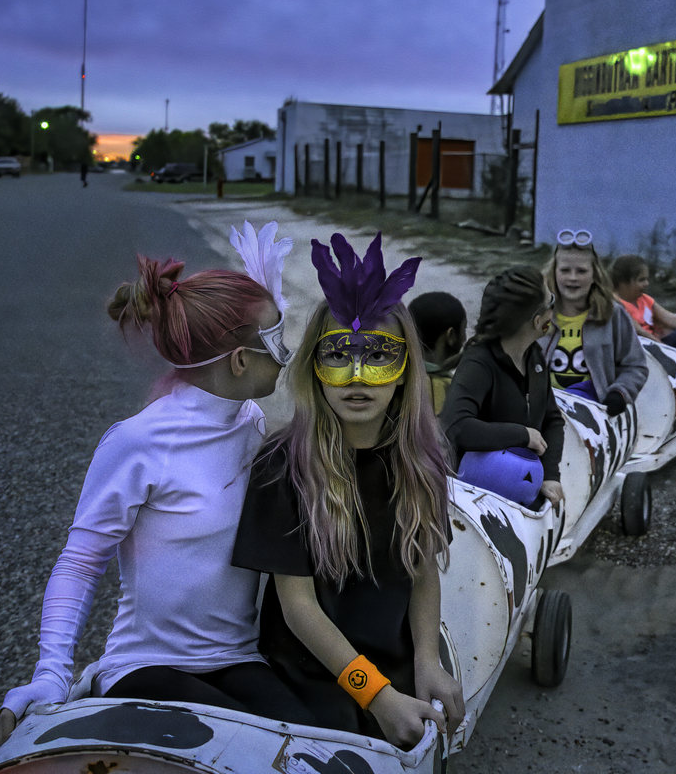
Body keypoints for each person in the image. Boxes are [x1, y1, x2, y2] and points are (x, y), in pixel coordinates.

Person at [0, 224, 311, 741]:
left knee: (311, 744)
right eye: (276, 339)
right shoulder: (137, 443)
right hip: (147, 666)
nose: (286, 353)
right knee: (238, 746)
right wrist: (50, 673)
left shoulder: (251, 420)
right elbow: (80, 562)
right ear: (238, 360)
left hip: (236, 659)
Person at [231, 232, 463, 748]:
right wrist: (376, 696)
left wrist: (427, 661)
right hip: (311, 674)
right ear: (314, 367)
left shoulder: (422, 461)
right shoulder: (282, 465)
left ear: (405, 373)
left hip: (396, 660)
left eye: (379, 356)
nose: (357, 377)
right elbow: (298, 607)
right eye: (337, 355)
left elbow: (423, 573)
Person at [440, 266, 565, 506]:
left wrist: (550, 475)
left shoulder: (534, 356)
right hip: (480, 496)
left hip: (522, 486)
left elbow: (552, 419)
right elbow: (455, 426)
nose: (555, 309)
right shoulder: (479, 362)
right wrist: (522, 435)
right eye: (551, 301)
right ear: (538, 321)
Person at [539, 233, 649, 415]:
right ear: (554, 273)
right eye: (565, 270)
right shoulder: (538, 314)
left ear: (594, 275)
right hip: (543, 409)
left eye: (581, 271)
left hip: (593, 413)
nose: (573, 278)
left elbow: (636, 366)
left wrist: (619, 392)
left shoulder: (612, 314)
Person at [610, 254, 676, 357]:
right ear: (623, 283)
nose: (647, 283)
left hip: (657, 345)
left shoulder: (644, 299)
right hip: (640, 350)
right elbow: (640, 331)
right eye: (641, 280)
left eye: (647, 279)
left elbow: (671, 318)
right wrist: (666, 350)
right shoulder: (615, 303)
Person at [410, 291, 468, 410]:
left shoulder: (394, 383)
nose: (465, 338)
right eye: (464, 329)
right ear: (451, 335)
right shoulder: (454, 394)